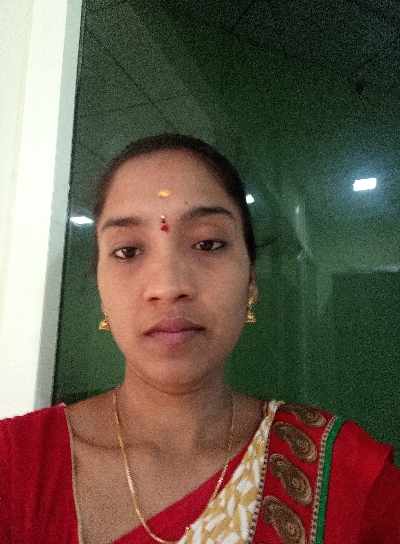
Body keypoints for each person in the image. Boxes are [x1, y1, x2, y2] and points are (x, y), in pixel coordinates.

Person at [0, 133, 399, 544]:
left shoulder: (347, 475)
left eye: (208, 244)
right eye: (128, 251)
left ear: (250, 280)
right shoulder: (13, 465)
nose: (168, 286)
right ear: (101, 290)